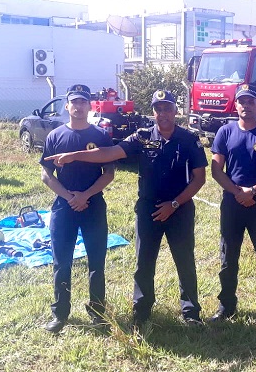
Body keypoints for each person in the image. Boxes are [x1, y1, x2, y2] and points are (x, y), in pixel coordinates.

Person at [44, 90, 207, 328]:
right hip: (148, 209)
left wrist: (173, 205)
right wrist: (73, 156)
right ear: (153, 112)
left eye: (167, 108)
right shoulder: (141, 136)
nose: (163, 113)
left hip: (178, 207)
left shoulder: (189, 139)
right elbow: (108, 153)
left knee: (184, 260)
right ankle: (141, 313)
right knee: (143, 263)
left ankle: (191, 313)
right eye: (158, 108)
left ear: (175, 110)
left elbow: (199, 179)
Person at [40, 84, 115, 333]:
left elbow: (109, 173)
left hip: (93, 204)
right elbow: (46, 175)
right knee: (62, 261)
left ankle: (97, 312)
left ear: (90, 105)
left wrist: (86, 195)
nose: (79, 106)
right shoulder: (55, 136)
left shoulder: (101, 136)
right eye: (74, 102)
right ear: (67, 105)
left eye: (83, 102)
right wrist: (70, 197)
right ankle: (60, 314)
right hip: (64, 206)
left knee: (97, 261)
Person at [209, 84, 256, 327]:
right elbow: (216, 170)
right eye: (242, 101)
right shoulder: (225, 132)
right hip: (232, 202)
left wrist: (254, 190)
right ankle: (226, 306)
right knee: (228, 257)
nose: (246, 105)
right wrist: (236, 192)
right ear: (236, 104)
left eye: (251, 101)